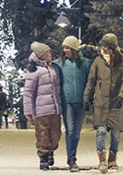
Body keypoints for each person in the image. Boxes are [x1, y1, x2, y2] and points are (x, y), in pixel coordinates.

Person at [83, 33, 123, 174]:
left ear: (112, 48)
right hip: (101, 103)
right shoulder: (98, 62)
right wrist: (86, 97)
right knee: (101, 131)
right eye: (102, 45)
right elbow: (91, 81)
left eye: (106, 46)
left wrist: (122, 95)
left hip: (116, 103)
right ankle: (102, 160)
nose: (102, 48)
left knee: (116, 133)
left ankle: (112, 159)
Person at [53, 35, 90, 172]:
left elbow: (89, 82)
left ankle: (71, 156)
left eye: (67, 47)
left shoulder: (85, 63)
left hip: (80, 101)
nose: (65, 50)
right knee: (70, 130)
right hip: (66, 101)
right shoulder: (58, 64)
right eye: (63, 47)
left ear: (74, 49)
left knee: (76, 132)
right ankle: (72, 158)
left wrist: (88, 97)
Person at [23, 41, 63, 170]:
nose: (50, 54)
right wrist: (28, 110)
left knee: (56, 134)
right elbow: (28, 92)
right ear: (41, 55)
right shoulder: (34, 71)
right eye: (47, 52)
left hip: (55, 108)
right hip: (41, 110)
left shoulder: (54, 68)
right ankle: (43, 155)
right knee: (42, 134)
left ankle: (51, 151)